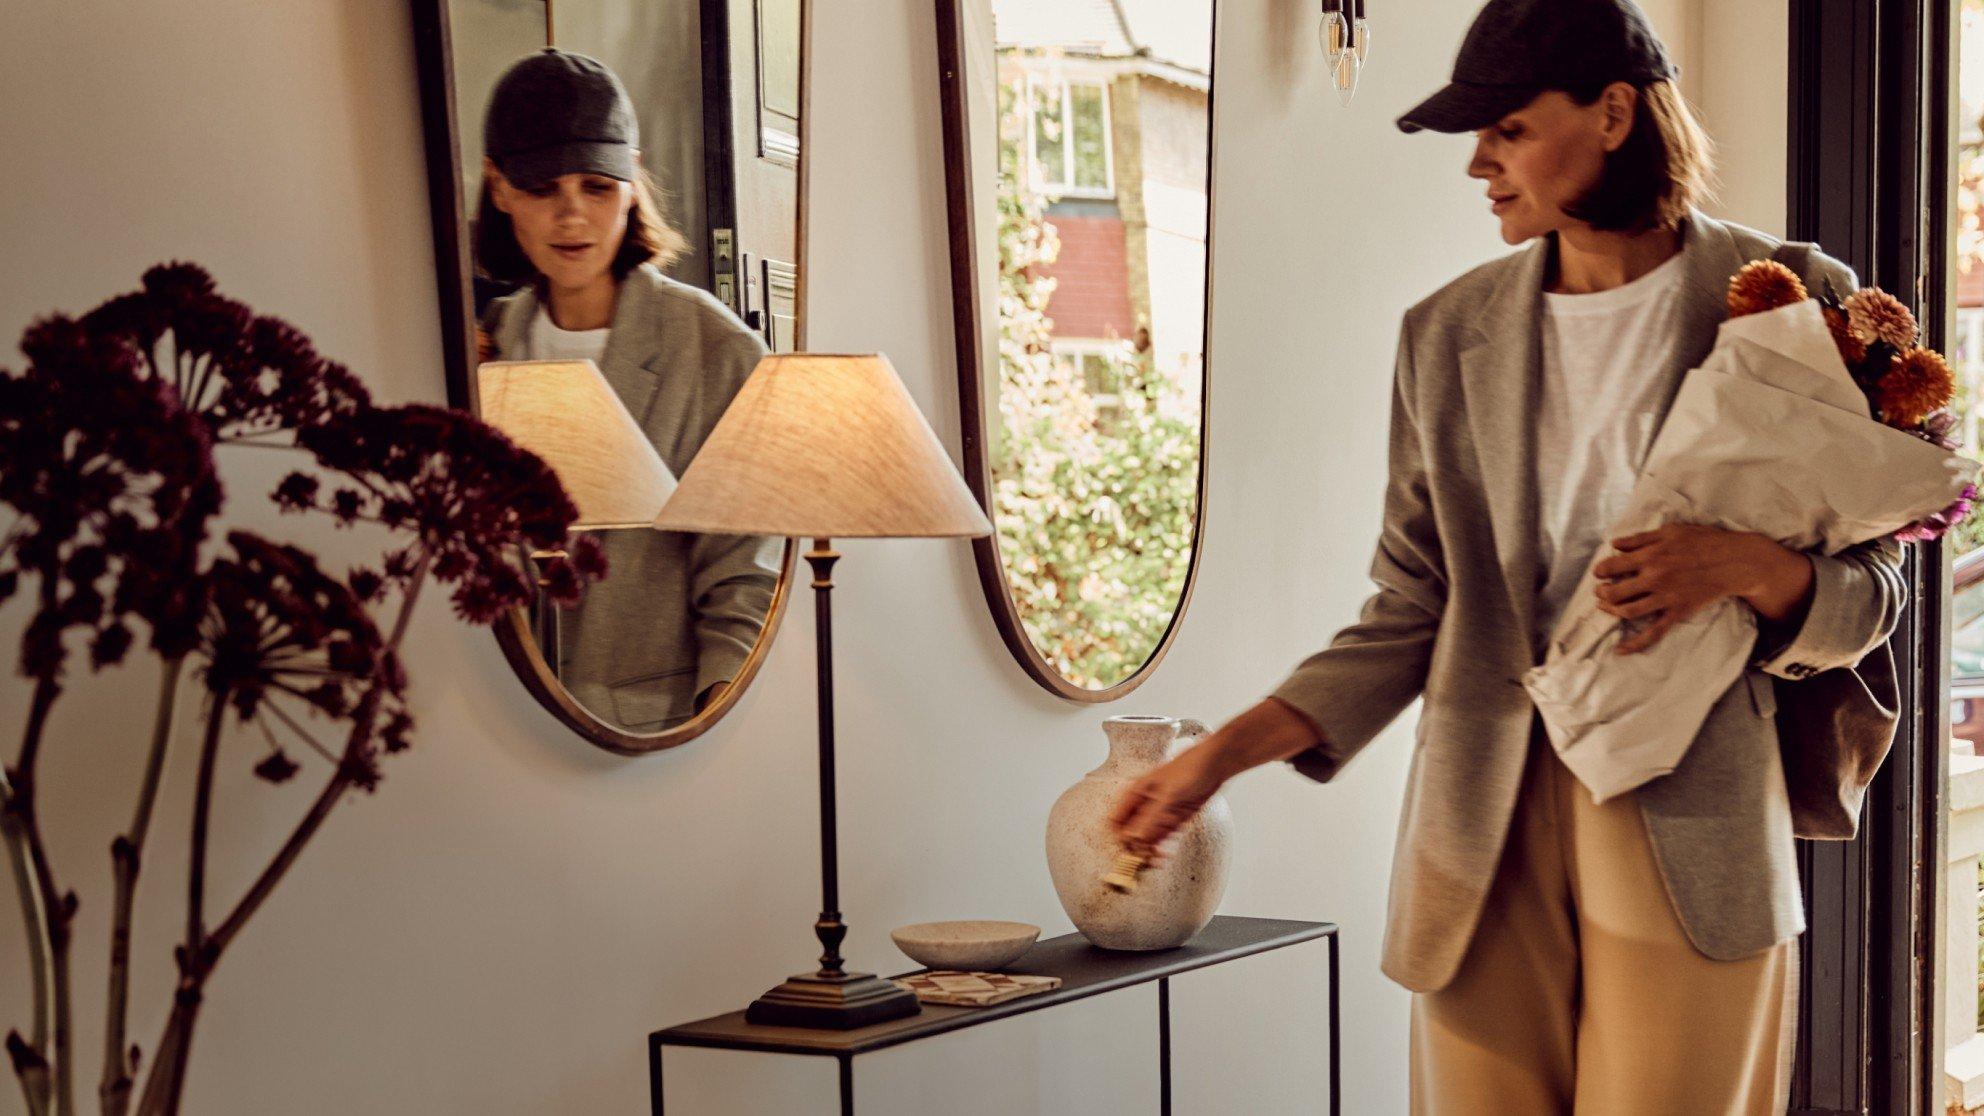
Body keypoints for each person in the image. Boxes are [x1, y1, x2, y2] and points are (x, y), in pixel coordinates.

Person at [1106, 0, 1905, 1110]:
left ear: (1614, 111)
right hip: (1480, 817)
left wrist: (1738, 566)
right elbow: (1411, 603)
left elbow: (1874, 589)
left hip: (1688, 807)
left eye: (1507, 130)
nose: (1477, 162)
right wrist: (1217, 756)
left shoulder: (1784, 299)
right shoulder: (1445, 335)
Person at [475, 48, 781, 733]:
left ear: (633, 180)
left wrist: (707, 733)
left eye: (596, 185)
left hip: (655, 738)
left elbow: (744, 578)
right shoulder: (481, 347)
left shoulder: (717, 352)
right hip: (495, 733)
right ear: (498, 187)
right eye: (541, 187)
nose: (571, 215)